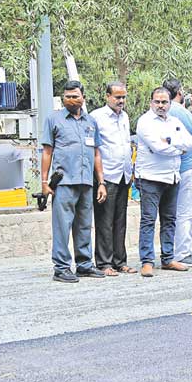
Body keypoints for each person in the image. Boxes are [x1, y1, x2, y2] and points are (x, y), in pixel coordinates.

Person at [40, 80, 108, 283]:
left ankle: (84, 265)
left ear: (83, 98)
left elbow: (96, 153)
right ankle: (61, 268)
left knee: (84, 225)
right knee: (62, 226)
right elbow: (47, 151)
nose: (71, 100)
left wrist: (101, 182)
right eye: (67, 96)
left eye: (75, 96)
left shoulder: (90, 122)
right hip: (63, 182)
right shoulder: (53, 119)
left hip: (86, 181)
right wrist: (44, 181)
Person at [135, 87, 192, 276]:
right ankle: (147, 261)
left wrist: (169, 142)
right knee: (148, 220)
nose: (161, 105)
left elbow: (191, 143)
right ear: (151, 102)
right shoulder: (145, 122)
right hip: (150, 178)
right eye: (157, 102)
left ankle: (168, 258)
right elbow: (157, 147)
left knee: (169, 220)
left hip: (172, 176)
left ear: (170, 103)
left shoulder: (175, 121)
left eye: (164, 102)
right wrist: (178, 148)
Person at [90, 82, 136, 276]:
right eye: (117, 97)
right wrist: (99, 180)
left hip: (123, 174)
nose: (121, 101)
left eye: (123, 97)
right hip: (107, 176)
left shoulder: (124, 116)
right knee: (104, 221)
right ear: (107, 96)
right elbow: (94, 149)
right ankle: (104, 263)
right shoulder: (96, 117)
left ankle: (120, 261)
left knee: (120, 221)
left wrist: (131, 170)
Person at [164, 79, 192, 268]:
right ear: (179, 92)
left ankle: (185, 249)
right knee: (185, 212)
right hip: (187, 166)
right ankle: (182, 251)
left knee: (178, 211)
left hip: (175, 167)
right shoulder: (179, 110)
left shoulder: (166, 110)